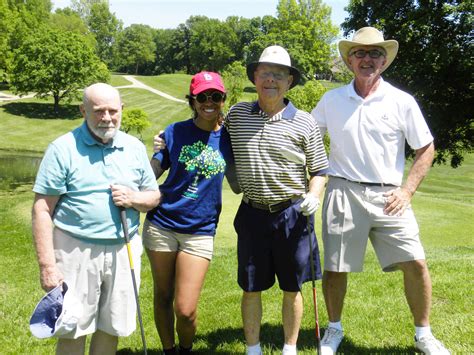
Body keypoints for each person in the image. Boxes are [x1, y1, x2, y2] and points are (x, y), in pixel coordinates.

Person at [311, 27, 450, 355]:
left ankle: (423, 334)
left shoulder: (402, 101)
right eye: (360, 53)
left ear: (384, 60)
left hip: (391, 197)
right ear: (349, 60)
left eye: (374, 53)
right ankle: (334, 329)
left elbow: (426, 148)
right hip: (343, 192)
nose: (367, 59)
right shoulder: (331, 100)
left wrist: (407, 190)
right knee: (335, 267)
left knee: (415, 263)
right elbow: (308, 136)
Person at [31, 83, 161, 355]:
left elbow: (153, 197)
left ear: (121, 110)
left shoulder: (134, 148)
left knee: (112, 325)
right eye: (98, 110)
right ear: (83, 110)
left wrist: (134, 199)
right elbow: (42, 209)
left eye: (113, 111)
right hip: (74, 248)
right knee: (73, 325)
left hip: (123, 247)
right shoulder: (63, 148)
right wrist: (47, 265)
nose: (106, 117)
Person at [225, 45, 329, 355]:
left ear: (289, 82)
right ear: (255, 77)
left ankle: (290, 347)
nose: (271, 80)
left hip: (292, 214)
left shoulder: (305, 122)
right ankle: (253, 348)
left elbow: (320, 169)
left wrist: (313, 195)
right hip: (253, 213)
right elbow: (211, 134)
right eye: (265, 73)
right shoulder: (237, 114)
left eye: (279, 75)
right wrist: (169, 137)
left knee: (291, 286)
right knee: (251, 286)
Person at [143, 71, 239, 355]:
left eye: (216, 96)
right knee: (162, 295)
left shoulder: (230, 139)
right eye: (202, 97)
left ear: (223, 100)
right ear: (193, 101)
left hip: (200, 230)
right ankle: (168, 350)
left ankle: (185, 349)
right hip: (162, 224)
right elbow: (152, 173)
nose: (209, 102)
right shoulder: (174, 132)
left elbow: (237, 184)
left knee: (185, 309)